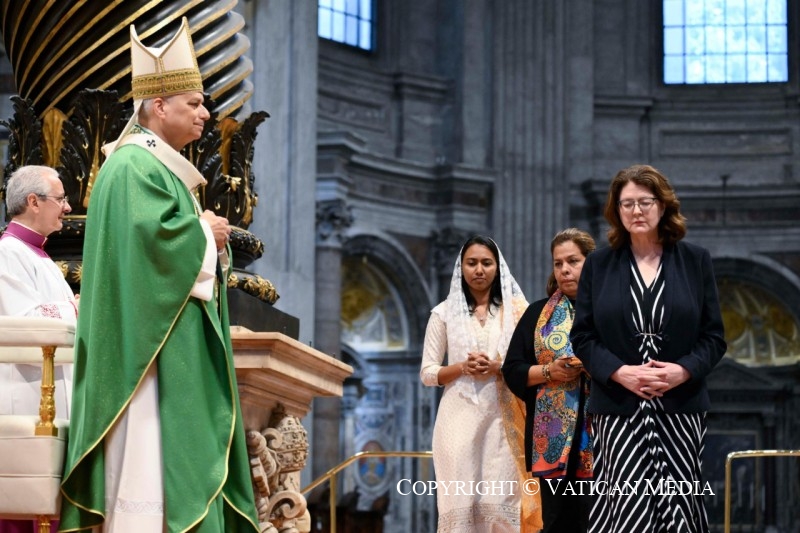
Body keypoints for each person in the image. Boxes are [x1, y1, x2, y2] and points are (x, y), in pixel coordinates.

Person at [59, 18, 259, 532]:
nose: (206, 113)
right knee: (149, 469)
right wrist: (204, 233)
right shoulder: (133, 166)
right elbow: (151, 249)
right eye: (194, 103)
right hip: (148, 353)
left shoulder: (158, 168)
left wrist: (206, 237)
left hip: (167, 340)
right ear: (159, 105)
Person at [570, 164, 727, 533]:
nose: (636, 211)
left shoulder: (695, 260)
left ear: (663, 205)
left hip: (680, 408)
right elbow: (583, 337)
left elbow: (714, 337)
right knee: (627, 510)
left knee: (679, 509)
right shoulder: (598, 265)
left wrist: (682, 371)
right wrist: (619, 372)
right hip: (617, 409)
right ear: (616, 210)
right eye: (627, 204)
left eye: (645, 202)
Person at [420, 235, 541, 532]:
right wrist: (461, 367)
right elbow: (428, 372)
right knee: (460, 507)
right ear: (460, 268)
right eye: (471, 263)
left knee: (501, 506)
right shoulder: (443, 313)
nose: (478, 270)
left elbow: (531, 362)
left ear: (498, 268)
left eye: (486, 263)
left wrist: (499, 367)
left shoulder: (519, 310)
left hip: (504, 419)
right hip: (457, 420)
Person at [502, 228, 595, 533]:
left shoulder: (611, 310)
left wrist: (591, 364)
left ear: (591, 262)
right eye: (558, 263)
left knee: (596, 522)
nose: (564, 269)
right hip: (551, 436)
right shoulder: (537, 314)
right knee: (554, 523)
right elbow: (512, 369)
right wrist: (549, 372)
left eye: (573, 261)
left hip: (602, 435)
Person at [0, 165, 77, 533]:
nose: (67, 207)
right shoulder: (8, 253)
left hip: (50, 393)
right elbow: (26, 319)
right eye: (60, 199)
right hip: (26, 394)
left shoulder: (38, 256)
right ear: (33, 201)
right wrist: (76, 308)